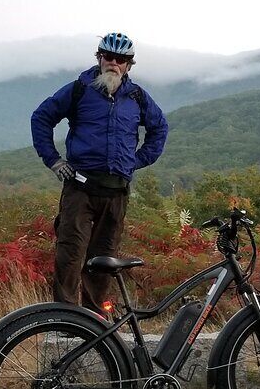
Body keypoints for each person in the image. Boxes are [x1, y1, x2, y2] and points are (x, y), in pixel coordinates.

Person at [31, 32, 168, 315]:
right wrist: (54, 161)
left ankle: (94, 321)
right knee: (70, 254)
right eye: (108, 56)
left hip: (116, 191)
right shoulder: (78, 89)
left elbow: (159, 128)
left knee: (103, 260)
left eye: (120, 59)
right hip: (79, 188)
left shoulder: (137, 97)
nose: (113, 63)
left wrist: (137, 160)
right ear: (99, 58)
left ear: (129, 65)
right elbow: (41, 117)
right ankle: (67, 320)